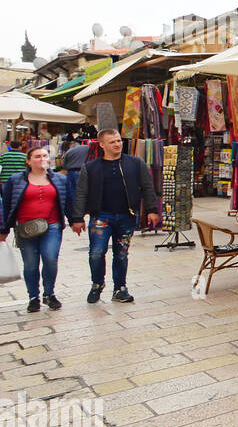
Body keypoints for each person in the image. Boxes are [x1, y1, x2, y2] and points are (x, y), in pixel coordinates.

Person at [73, 128, 158, 304]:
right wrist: (77, 218)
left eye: (119, 140)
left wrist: (152, 210)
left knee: (121, 254)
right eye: (112, 142)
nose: (117, 144)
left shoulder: (135, 163)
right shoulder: (90, 167)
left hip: (126, 215)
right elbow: (81, 193)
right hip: (101, 216)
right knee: (96, 253)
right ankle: (97, 284)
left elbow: (148, 187)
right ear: (102, 145)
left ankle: (120, 288)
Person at [1, 146, 81, 312]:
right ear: (29, 161)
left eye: (45, 155)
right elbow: (7, 204)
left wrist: (75, 220)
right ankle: (33, 297)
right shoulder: (16, 180)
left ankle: (49, 294)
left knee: (50, 258)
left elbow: (68, 201)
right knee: (30, 264)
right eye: (37, 156)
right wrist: (4, 228)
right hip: (25, 228)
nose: (42, 159)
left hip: (52, 225)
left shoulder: (59, 179)